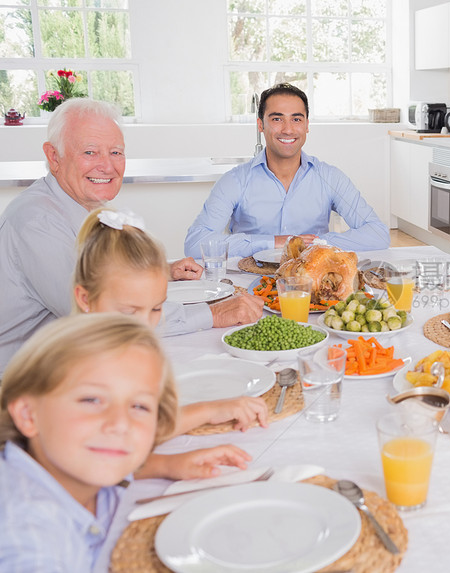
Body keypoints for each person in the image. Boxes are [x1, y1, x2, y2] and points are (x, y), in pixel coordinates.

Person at [0, 98, 263, 376]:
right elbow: (104, 318)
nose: (107, 166)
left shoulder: (81, 204)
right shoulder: (36, 220)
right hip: (27, 384)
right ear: (54, 157)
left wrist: (164, 271)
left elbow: (97, 275)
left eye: (116, 152)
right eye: (90, 152)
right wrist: (215, 314)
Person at [0, 314, 178, 570]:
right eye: (91, 400)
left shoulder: (71, 467)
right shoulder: (28, 539)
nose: (120, 423)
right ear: (29, 415)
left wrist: (166, 465)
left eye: (139, 405)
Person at [73, 207, 270, 436]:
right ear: (85, 299)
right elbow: (116, 441)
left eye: (157, 308)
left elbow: (142, 421)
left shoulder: (126, 352)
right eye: (129, 311)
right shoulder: (81, 371)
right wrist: (206, 411)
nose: (146, 324)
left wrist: (173, 463)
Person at [184, 82, 390, 258]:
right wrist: (274, 242)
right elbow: (195, 244)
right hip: (248, 283)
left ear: (307, 125)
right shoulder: (235, 181)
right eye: (277, 119)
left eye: (296, 119)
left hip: (312, 283)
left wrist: (316, 243)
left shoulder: (329, 177)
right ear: (260, 125)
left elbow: (378, 234)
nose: (288, 129)